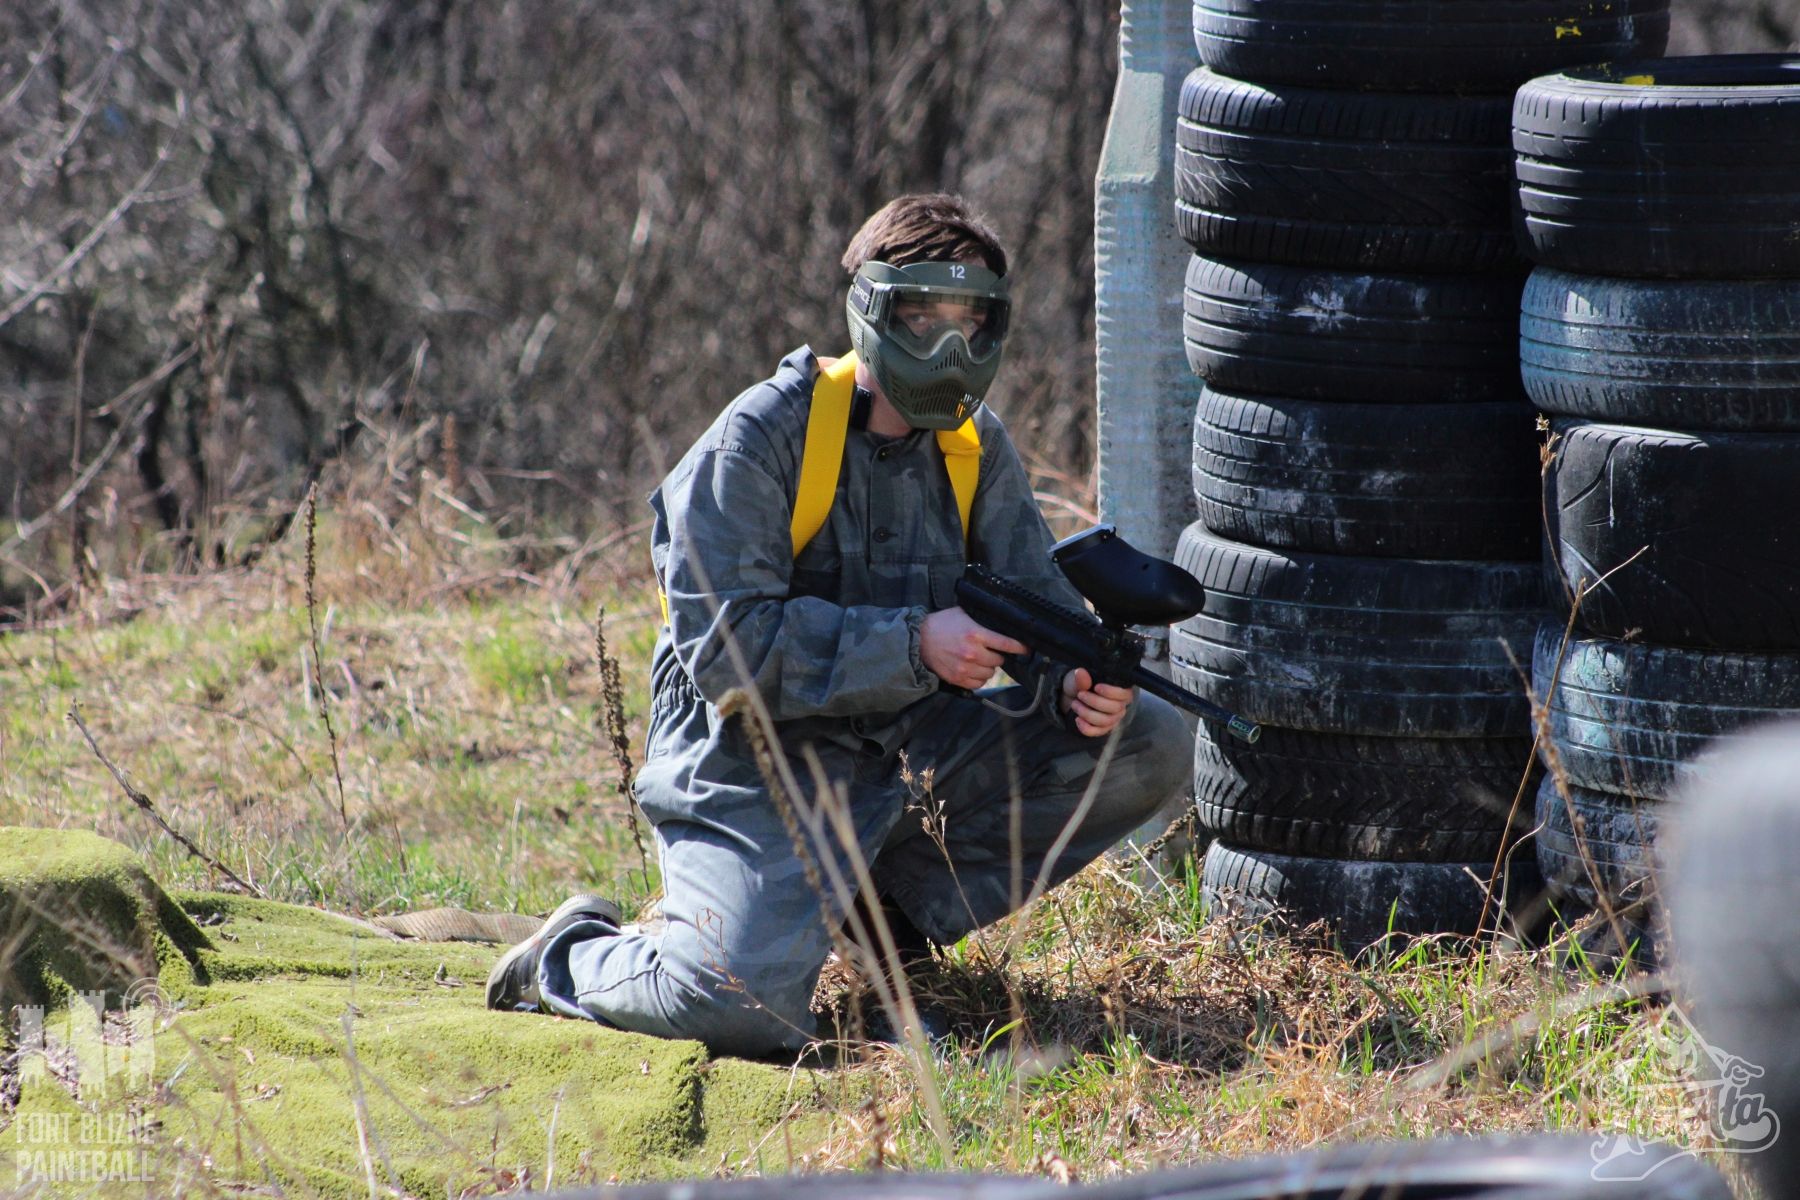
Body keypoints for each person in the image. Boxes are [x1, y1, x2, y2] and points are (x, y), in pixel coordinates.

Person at [487, 193, 1189, 1057]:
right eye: (922, 318)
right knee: (733, 1009)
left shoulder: (975, 446)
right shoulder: (760, 439)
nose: (950, 350)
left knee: (1150, 739)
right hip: (756, 759)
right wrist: (914, 644)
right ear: (869, 311)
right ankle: (567, 957)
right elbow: (725, 654)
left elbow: (1036, 609)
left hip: (907, 750)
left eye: (972, 323)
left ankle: (882, 928)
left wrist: (1072, 680)